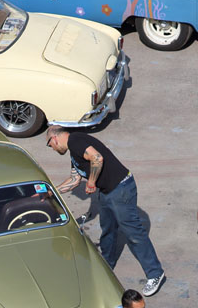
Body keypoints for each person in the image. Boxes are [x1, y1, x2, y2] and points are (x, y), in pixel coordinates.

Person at [47, 126, 165, 296]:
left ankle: (155, 273)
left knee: (133, 233)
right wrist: (52, 192)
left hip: (121, 188)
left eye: (50, 145)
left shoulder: (75, 140)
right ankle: (106, 264)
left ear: (54, 139)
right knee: (108, 229)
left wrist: (91, 182)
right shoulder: (74, 152)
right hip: (107, 191)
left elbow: (97, 158)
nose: (52, 149)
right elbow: (74, 180)